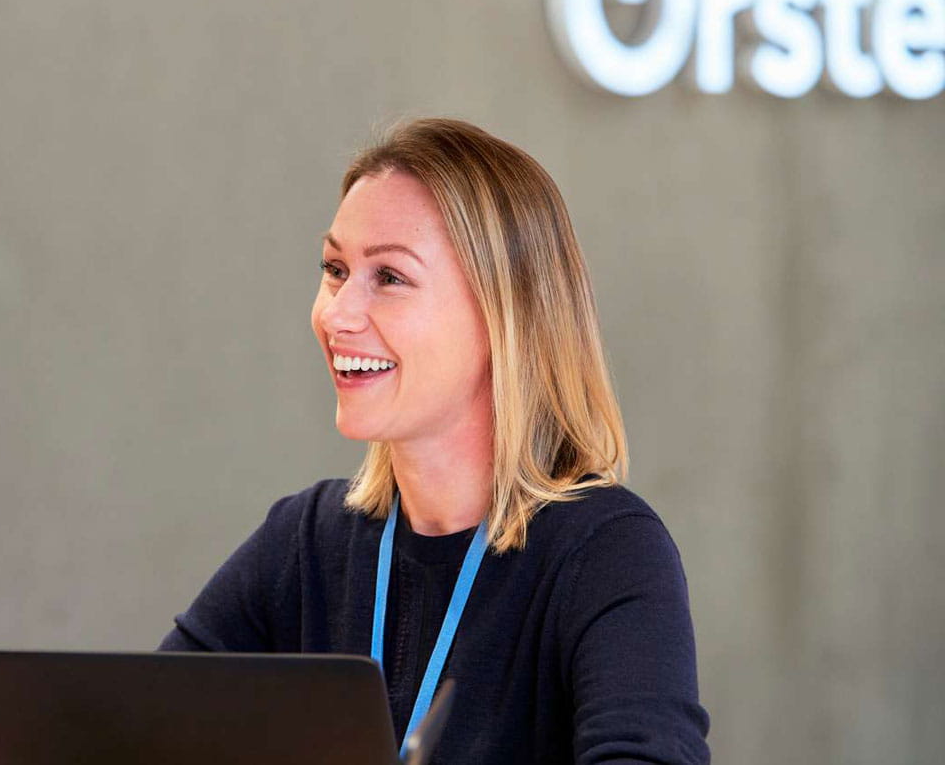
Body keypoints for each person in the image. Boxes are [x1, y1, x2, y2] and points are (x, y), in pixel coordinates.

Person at [158, 118, 710, 764]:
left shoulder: (605, 549)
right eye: (335, 269)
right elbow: (135, 737)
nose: (337, 313)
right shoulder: (305, 540)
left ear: (505, 314)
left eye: (389, 277)